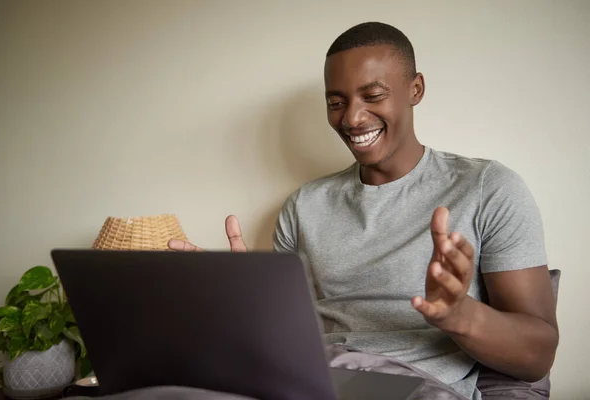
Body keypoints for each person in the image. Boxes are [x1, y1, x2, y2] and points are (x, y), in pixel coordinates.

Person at [169, 22, 559, 400]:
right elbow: (286, 337)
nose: (352, 118)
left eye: (372, 96)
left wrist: (459, 315)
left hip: (417, 386)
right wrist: (238, 304)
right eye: (336, 103)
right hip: (315, 380)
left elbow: (537, 356)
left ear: (415, 89)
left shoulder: (487, 187)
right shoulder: (303, 206)